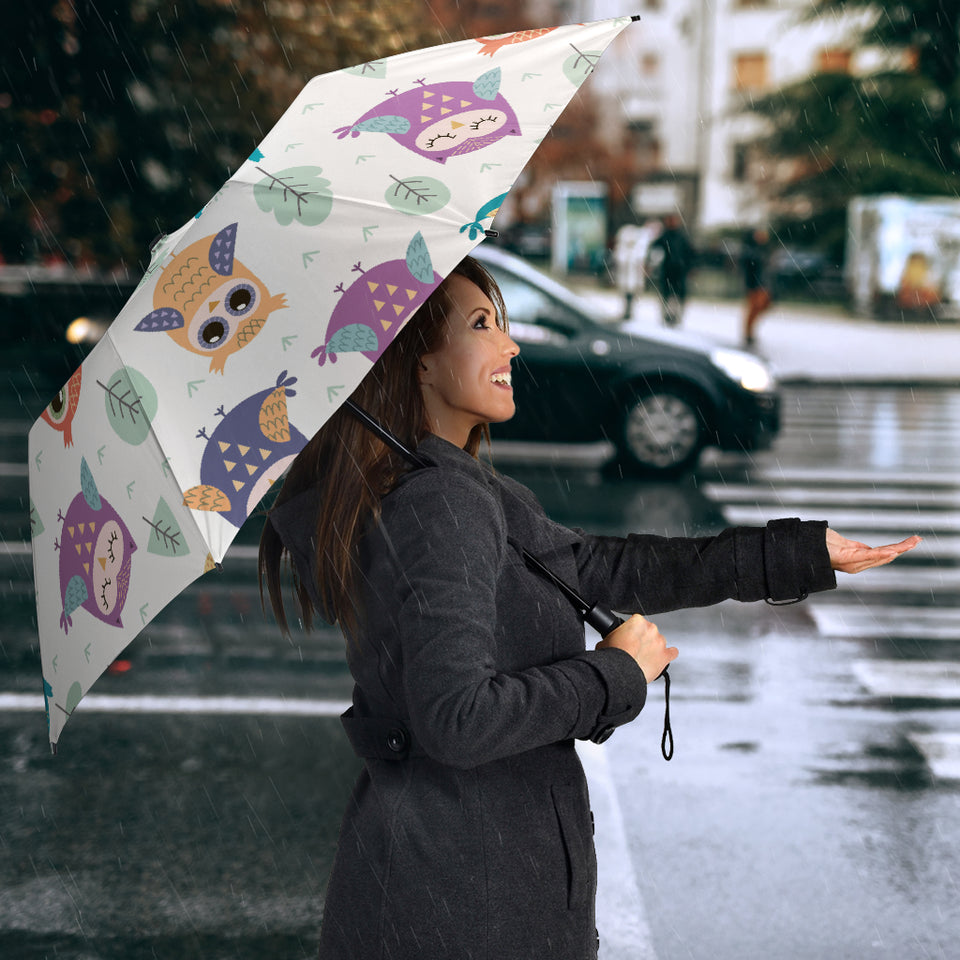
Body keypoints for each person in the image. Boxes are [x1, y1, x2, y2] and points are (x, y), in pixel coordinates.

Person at [258, 256, 919, 960]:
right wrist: (614, 673)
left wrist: (796, 554)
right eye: (483, 325)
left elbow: (603, 567)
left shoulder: (448, 488)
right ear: (416, 362)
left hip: (454, 883)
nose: (510, 345)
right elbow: (456, 720)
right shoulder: (440, 504)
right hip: (466, 902)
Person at [648, 213, 695, 327]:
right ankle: (667, 315)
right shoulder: (665, 236)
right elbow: (654, 249)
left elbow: (690, 253)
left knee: (677, 295)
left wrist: (690, 267)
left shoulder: (681, 237)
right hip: (668, 270)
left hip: (679, 271)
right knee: (667, 294)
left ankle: (675, 316)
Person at [741, 226, 772, 347]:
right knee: (754, 308)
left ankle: (750, 331)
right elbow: (750, 265)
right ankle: (748, 333)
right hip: (754, 284)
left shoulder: (763, 249)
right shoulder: (750, 250)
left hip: (763, 283)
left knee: (762, 306)